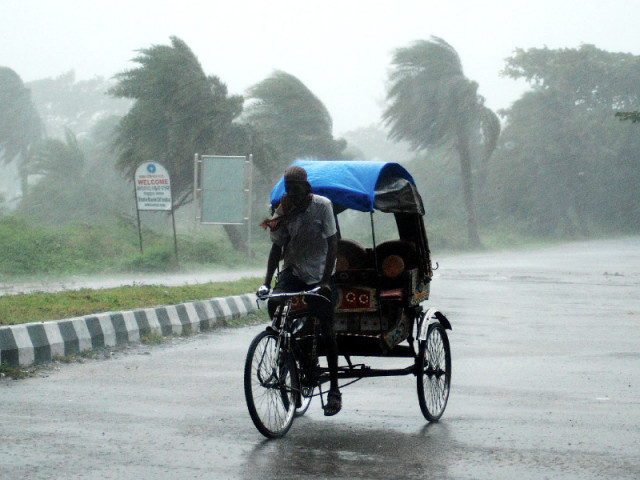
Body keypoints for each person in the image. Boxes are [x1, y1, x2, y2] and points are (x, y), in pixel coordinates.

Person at [258, 165, 341, 416]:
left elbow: (332, 242)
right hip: (293, 270)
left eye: (296, 189)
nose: (291, 194)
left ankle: (334, 391)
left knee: (327, 328)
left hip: (319, 273)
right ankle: (292, 350)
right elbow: (276, 249)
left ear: (306, 188)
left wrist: (326, 280)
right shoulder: (283, 210)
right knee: (274, 303)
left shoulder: (322, 206)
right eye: (288, 189)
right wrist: (266, 281)